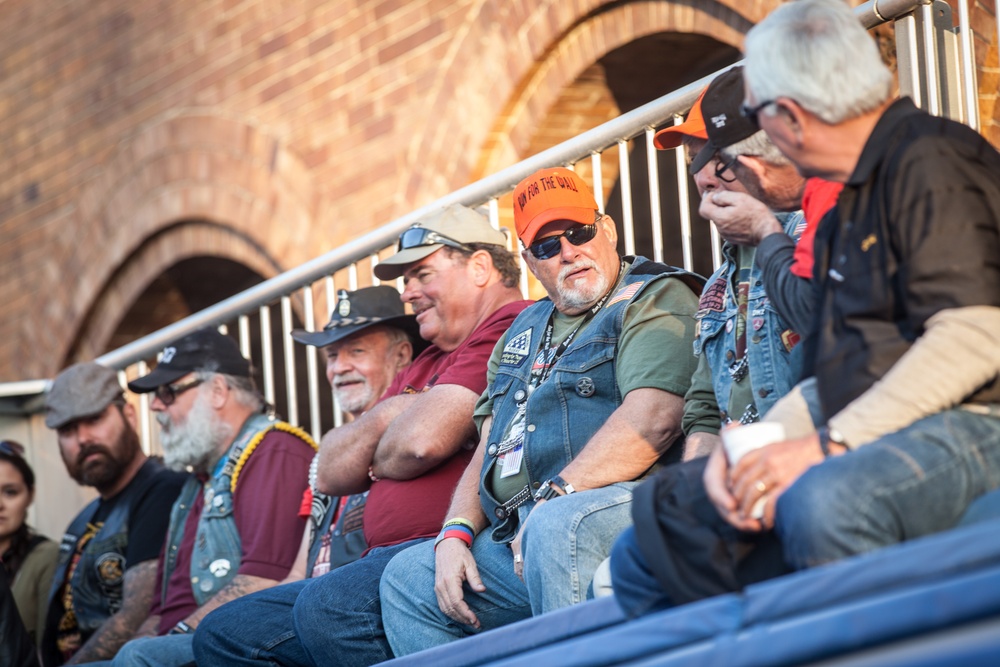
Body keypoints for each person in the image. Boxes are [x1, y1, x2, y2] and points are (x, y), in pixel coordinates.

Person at [613, 0, 1000, 617]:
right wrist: (754, 451)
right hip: (874, 421)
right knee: (659, 527)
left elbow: (976, 334)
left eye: (757, 115)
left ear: (788, 116)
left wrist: (826, 447)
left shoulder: (928, 160)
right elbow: (843, 366)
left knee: (824, 503)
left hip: (976, 417)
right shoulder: (847, 200)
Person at [379, 166, 703, 656]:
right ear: (532, 262)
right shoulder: (522, 329)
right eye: (548, 246)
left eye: (579, 232)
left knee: (556, 529)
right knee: (409, 579)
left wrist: (556, 497)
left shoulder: (650, 296)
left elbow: (654, 419)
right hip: (521, 533)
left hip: (627, 503)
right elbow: (490, 444)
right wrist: (455, 531)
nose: (568, 251)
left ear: (607, 230)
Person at [193, 203, 531, 667]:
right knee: (226, 633)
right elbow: (329, 471)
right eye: (406, 280)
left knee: (331, 609)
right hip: (381, 561)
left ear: (479, 267)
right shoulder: (427, 361)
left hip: (452, 547)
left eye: (421, 274)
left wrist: (379, 456)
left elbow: (422, 441)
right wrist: (390, 413)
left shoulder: (511, 323)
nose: (408, 293)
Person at [99, 328, 316, 666]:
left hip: (233, 643)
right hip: (182, 643)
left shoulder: (275, 451)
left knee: (137, 656)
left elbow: (263, 582)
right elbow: (161, 610)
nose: (155, 405)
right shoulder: (196, 482)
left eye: (168, 392)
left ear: (218, 391)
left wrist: (173, 636)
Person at [659, 68, 808, 463]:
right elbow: (705, 407)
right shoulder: (717, 285)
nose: (704, 177)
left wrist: (764, 230)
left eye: (713, 156)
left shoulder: (813, 229)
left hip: (800, 458)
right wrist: (695, 484)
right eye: (694, 161)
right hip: (733, 470)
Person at [41, 363, 188, 666]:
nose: (82, 438)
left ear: (129, 415)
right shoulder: (82, 520)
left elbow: (137, 614)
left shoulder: (162, 489)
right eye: (67, 430)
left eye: (94, 419)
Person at [285, 285, 420, 583]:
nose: (340, 368)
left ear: (401, 355)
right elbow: (297, 573)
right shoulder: (330, 451)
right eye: (332, 355)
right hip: (309, 599)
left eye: (356, 351)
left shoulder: (418, 434)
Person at [1, 440, 59, 650]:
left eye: (10, 492)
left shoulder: (46, 556)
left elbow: (48, 648)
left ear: (30, 495)